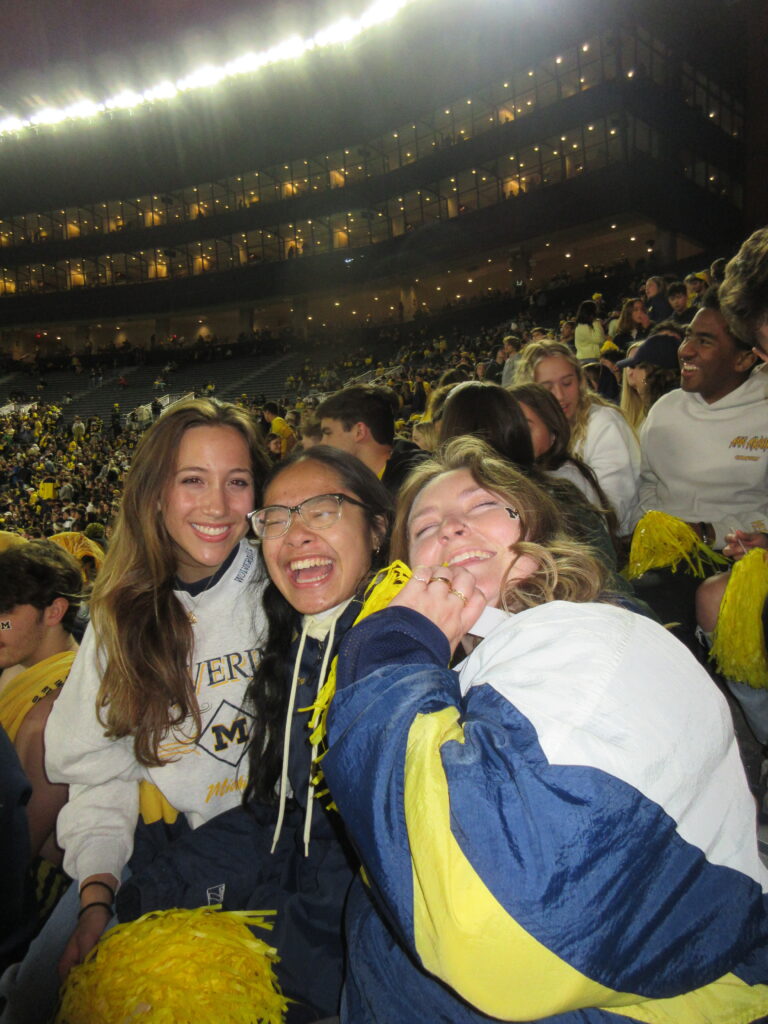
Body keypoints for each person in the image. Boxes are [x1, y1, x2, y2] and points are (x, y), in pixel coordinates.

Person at [322, 437, 768, 1024]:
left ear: (536, 543)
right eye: (426, 528)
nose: (451, 530)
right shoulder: (460, 675)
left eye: (482, 507)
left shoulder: (598, 638)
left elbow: (503, 916)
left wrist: (390, 652)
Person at [1, 399, 271, 1024]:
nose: (218, 506)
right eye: (192, 480)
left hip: (278, 862)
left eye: (237, 482)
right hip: (155, 857)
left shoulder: (282, 584)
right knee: (32, 1001)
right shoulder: (121, 617)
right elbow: (102, 773)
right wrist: (96, 891)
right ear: (153, 493)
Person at [113, 446, 392, 1021]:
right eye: (278, 518)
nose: (297, 535)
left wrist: (261, 974)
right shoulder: (304, 647)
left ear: (378, 528)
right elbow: (285, 820)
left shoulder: (390, 660)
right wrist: (164, 887)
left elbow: (357, 885)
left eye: (323, 510)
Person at [514, 340, 640, 536]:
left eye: (567, 383)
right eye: (547, 388)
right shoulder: (534, 433)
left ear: (580, 381)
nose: (560, 395)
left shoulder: (603, 423)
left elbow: (612, 513)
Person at [316, 384, 427, 495]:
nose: (322, 443)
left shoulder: (419, 487)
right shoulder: (360, 487)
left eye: (328, 433)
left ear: (359, 432)